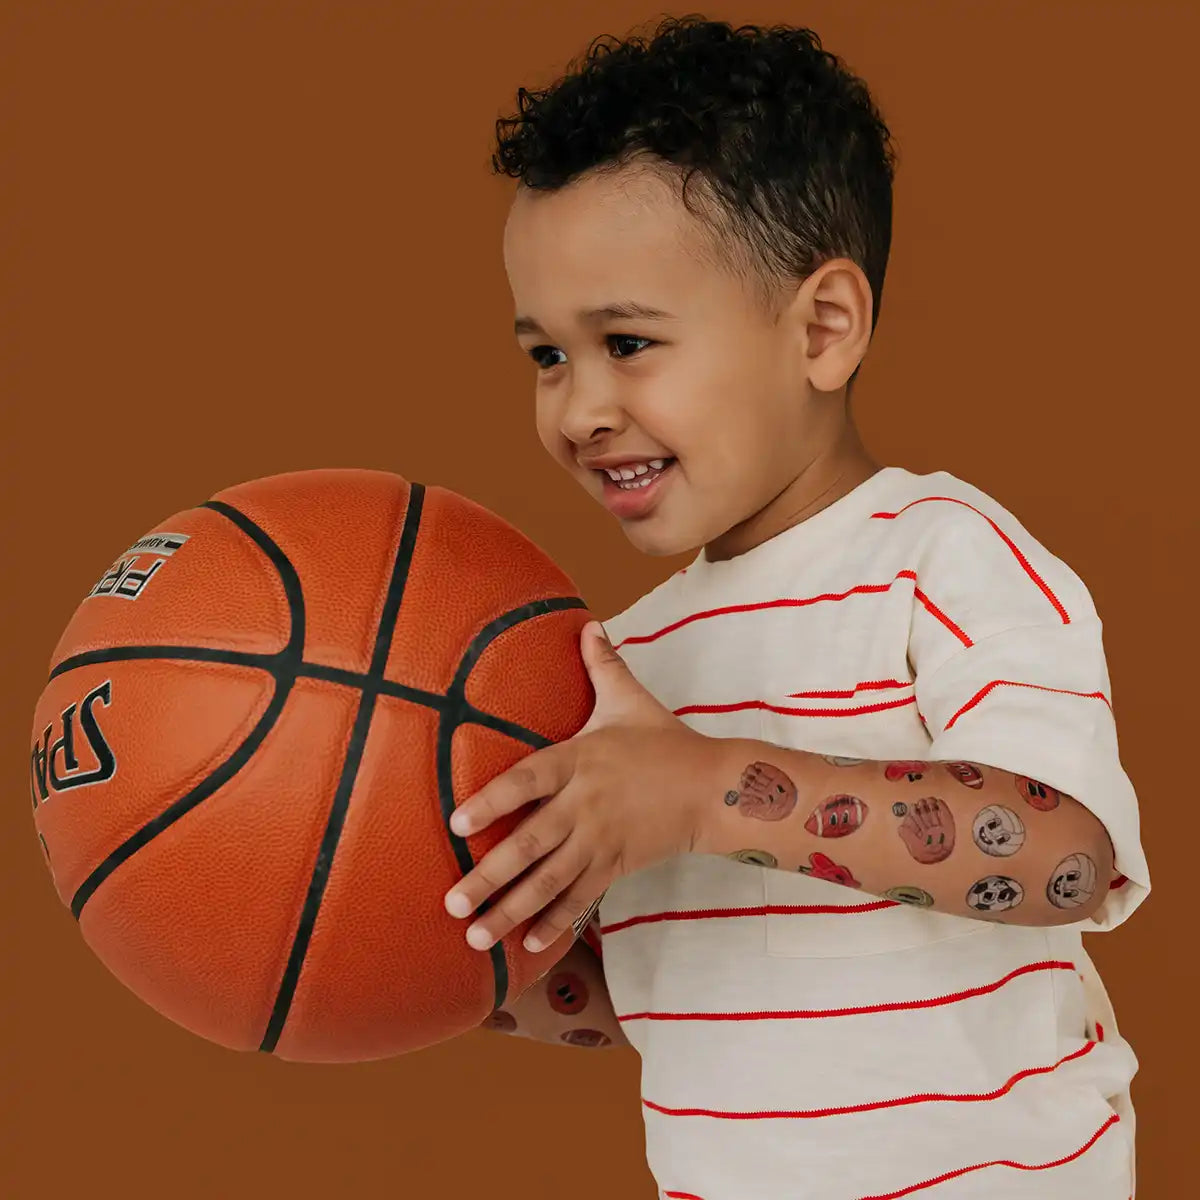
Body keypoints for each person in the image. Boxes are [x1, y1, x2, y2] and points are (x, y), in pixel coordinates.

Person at [444, 15, 1149, 1199]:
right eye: (547, 356)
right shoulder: (626, 662)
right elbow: (673, 993)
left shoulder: (940, 560)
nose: (578, 411)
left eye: (627, 341)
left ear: (823, 329)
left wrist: (703, 792)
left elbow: (1067, 859)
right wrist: (438, 961)